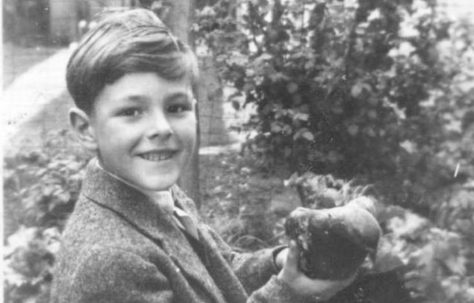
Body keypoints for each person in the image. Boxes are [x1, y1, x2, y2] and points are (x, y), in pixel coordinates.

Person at [51, 8, 354, 303]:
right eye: (131, 112)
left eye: (176, 107)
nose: (162, 128)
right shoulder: (110, 262)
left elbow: (220, 271)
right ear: (86, 129)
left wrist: (281, 263)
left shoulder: (158, 196)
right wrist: (288, 294)